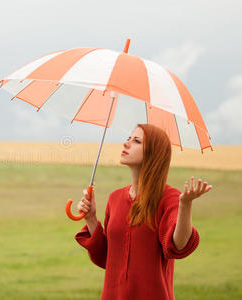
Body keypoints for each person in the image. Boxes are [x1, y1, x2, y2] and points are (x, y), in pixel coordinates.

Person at [74, 123, 212, 300]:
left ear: (154, 153)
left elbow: (178, 245)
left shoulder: (169, 198)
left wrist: (185, 205)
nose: (126, 144)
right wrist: (91, 219)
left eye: (137, 141)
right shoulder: (115, 198)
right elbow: (106, 258)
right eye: (128, 139)